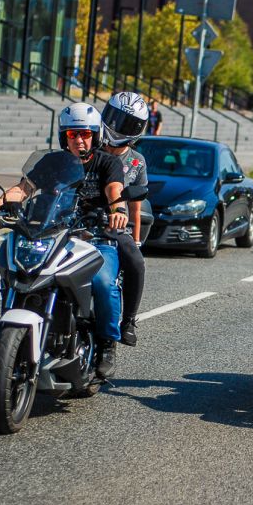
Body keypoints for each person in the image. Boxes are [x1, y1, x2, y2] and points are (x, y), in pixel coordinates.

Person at [0, 103, 127, 378]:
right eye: (73, 134)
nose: (79, 140)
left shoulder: (107, 162)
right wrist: (4, 200)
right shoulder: (52, 162)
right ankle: (11, 323)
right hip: (53, 233)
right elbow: (23, 188)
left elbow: (114, 189)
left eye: (85, 134)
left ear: (95, 136)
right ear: (65, 137)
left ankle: (107, 344)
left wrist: (117, 210)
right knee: (15, 265)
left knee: (103, 282)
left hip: (94, 237)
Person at [101, 92, 150, 347]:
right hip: (83, 219)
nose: (117, 126)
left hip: (117, 225)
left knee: (136, 263)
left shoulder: (136, 161)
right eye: (114, 117)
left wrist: (136, 239)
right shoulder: (90, 148)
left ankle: (128, 320)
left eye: (126, 123)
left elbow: (136, 206)